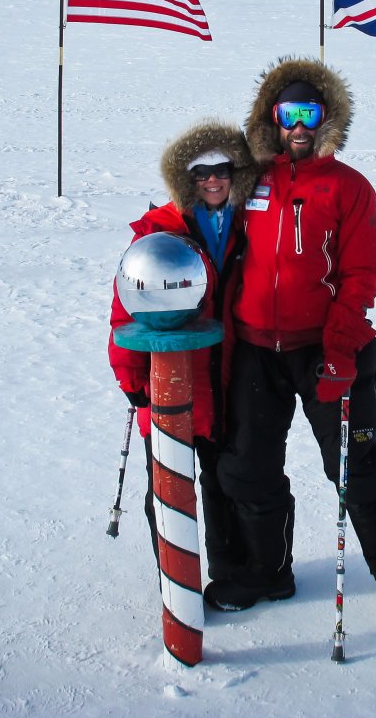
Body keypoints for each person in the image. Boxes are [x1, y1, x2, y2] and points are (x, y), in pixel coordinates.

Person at [207, 56, 376, 618]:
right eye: (288, 113)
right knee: (246, 467)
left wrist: (341, 350)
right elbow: (197, 216)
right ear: (272, 118)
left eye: (310, 113)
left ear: (325, 119)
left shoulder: (349, 189)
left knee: (355, 465)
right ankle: (268, 573)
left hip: (326, 350)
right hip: (257, 349)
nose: (298, 126)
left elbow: (360, 276)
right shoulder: (248, 179)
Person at [108, 118, 257, 585]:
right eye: (200, 173)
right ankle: (176, 582)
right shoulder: (160, 235)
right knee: (169, 488)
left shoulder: (248, 221)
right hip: (168, 382)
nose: (213, 180)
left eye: (222, 169)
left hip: (226, 377)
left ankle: (231, 576)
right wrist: (132, 379)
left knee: (224, 484)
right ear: (184, 179)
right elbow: (127, 307)